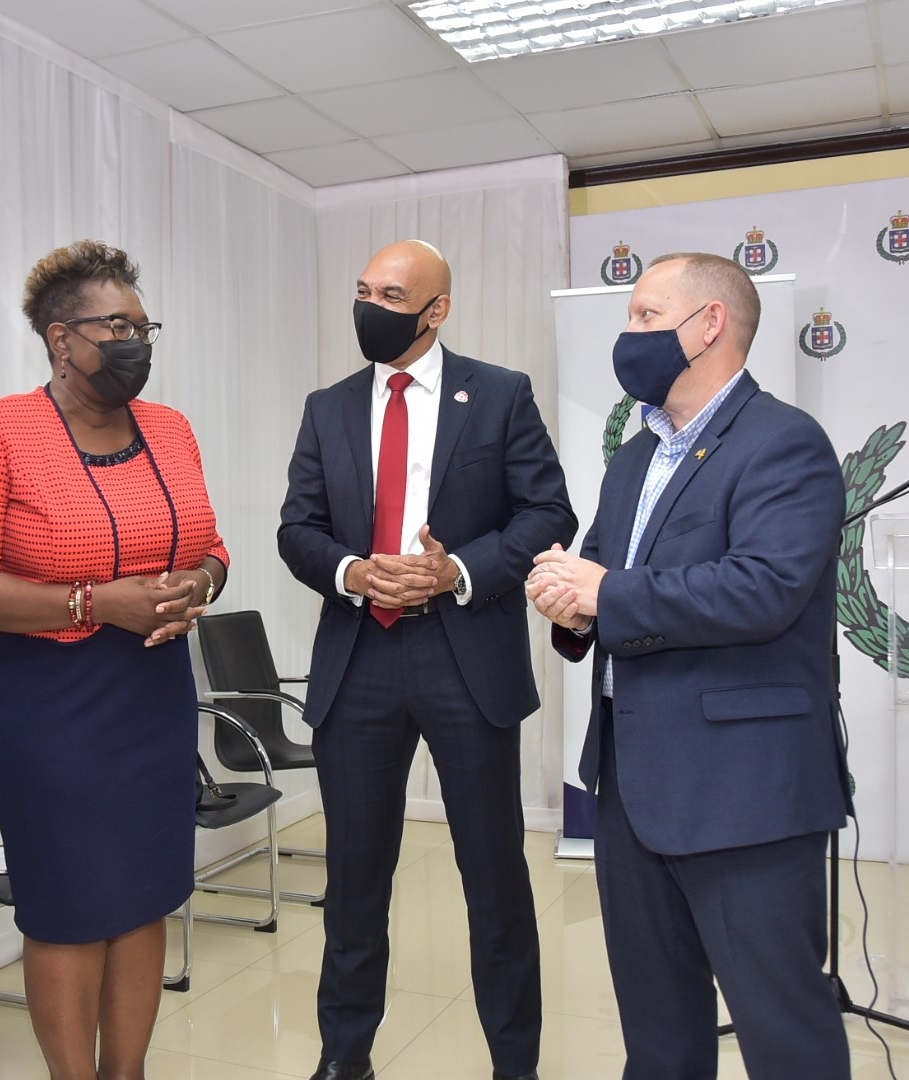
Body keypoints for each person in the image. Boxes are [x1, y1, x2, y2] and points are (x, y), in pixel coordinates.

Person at [527, 252, 853, 1078]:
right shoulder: (637, 454)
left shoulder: (785, 442)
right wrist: (570, 603)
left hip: (744, 789)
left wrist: (605, 593)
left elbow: (765, 588)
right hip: (632, 784)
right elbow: (604, 570)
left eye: (644, 316)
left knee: (782, 1028)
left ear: (709, 324)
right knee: (658, 1026)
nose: (628, 335)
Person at [278, 240, 575, 1080]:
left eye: (394, 293)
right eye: (364, 290)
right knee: (355, 883)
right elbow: (297, 527)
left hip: (464, 660)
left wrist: (458, 569)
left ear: (437, 309)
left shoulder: (501, 395)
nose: (372, 305)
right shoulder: (327, 407)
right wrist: (350, 569)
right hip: (359, 659)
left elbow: (549, 509)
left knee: (494, 882)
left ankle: (515, 1065)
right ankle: (345, 1060)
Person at [0, 239, 227, 1080]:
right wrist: (97, 602)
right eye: (118, 325)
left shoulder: (171, 429)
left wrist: (196, 584)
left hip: (154, 692)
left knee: (143, 896)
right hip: (53, 704)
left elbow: (211, 547)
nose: (137, 341)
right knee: (68, 907)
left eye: (145, 326)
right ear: (62, 340)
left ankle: (125, 1073)